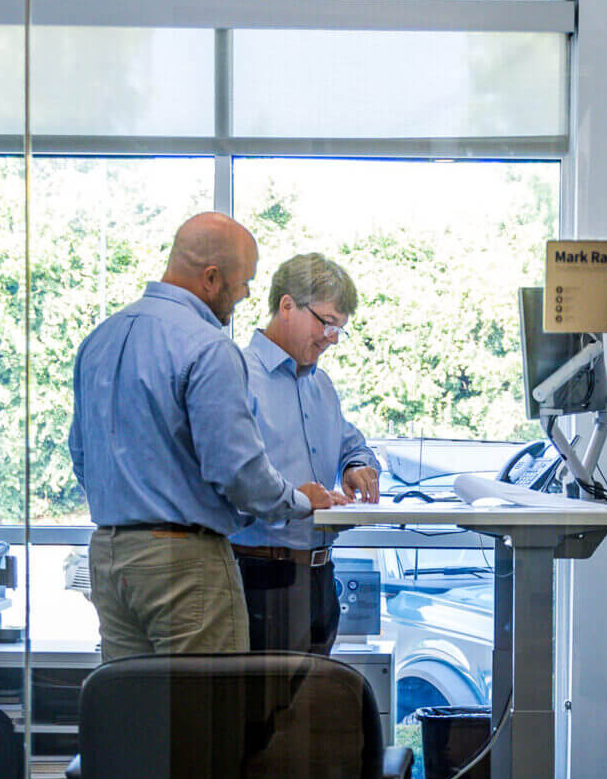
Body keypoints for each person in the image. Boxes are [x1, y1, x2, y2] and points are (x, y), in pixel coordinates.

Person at [69, 213, 341, 661]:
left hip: (109, 557)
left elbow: (81, 454)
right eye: (242, 283)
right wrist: (299, 502)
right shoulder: (208, 347)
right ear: (211, 279)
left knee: (132, 716)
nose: (248, 294)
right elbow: (237, 471)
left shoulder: (100, 339)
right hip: (183, 565)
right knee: (206, 719)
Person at [230, 253, 381, 656]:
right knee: (260, 716)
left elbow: (355, 444)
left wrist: (357, 466)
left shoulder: (322, 387)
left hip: (320, 577)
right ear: (286, 305)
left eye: (339, 329)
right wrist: (297, 498)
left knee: (312, 713)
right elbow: (230, 479)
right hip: (261, 576)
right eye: (326, 322)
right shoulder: (236, 375)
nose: (331, 338)